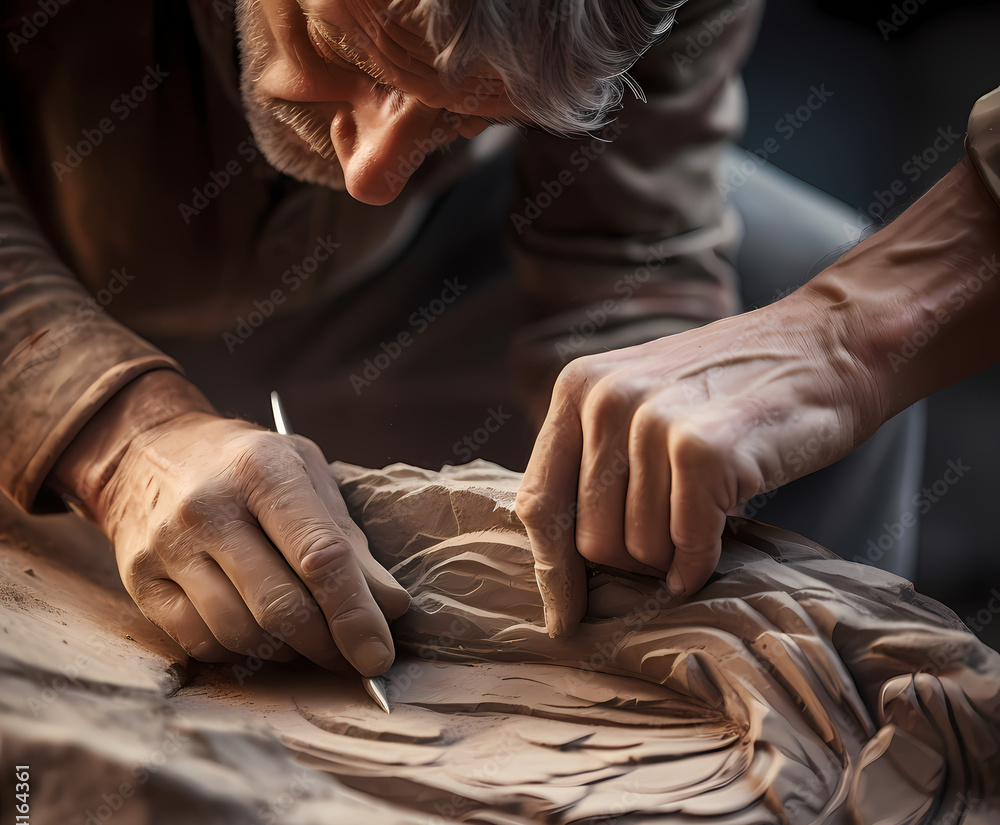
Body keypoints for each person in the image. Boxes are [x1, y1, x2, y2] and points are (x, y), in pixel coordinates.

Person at [0, 0, 958, 674]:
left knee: (797, 289)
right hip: (50, 247)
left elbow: (625, 240)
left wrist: (643, 474)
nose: (374, 168)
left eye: (459, 109)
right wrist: (114, 435)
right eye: (344, 48)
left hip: (421, 261)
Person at [516, 85, 1000, 635]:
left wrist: (843, 336)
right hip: (459, 191)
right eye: (389, 78)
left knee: (823, 265)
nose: (389, 168)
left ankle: (834, 660)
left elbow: (634, 197)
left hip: (543, 140)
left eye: (447, 108)